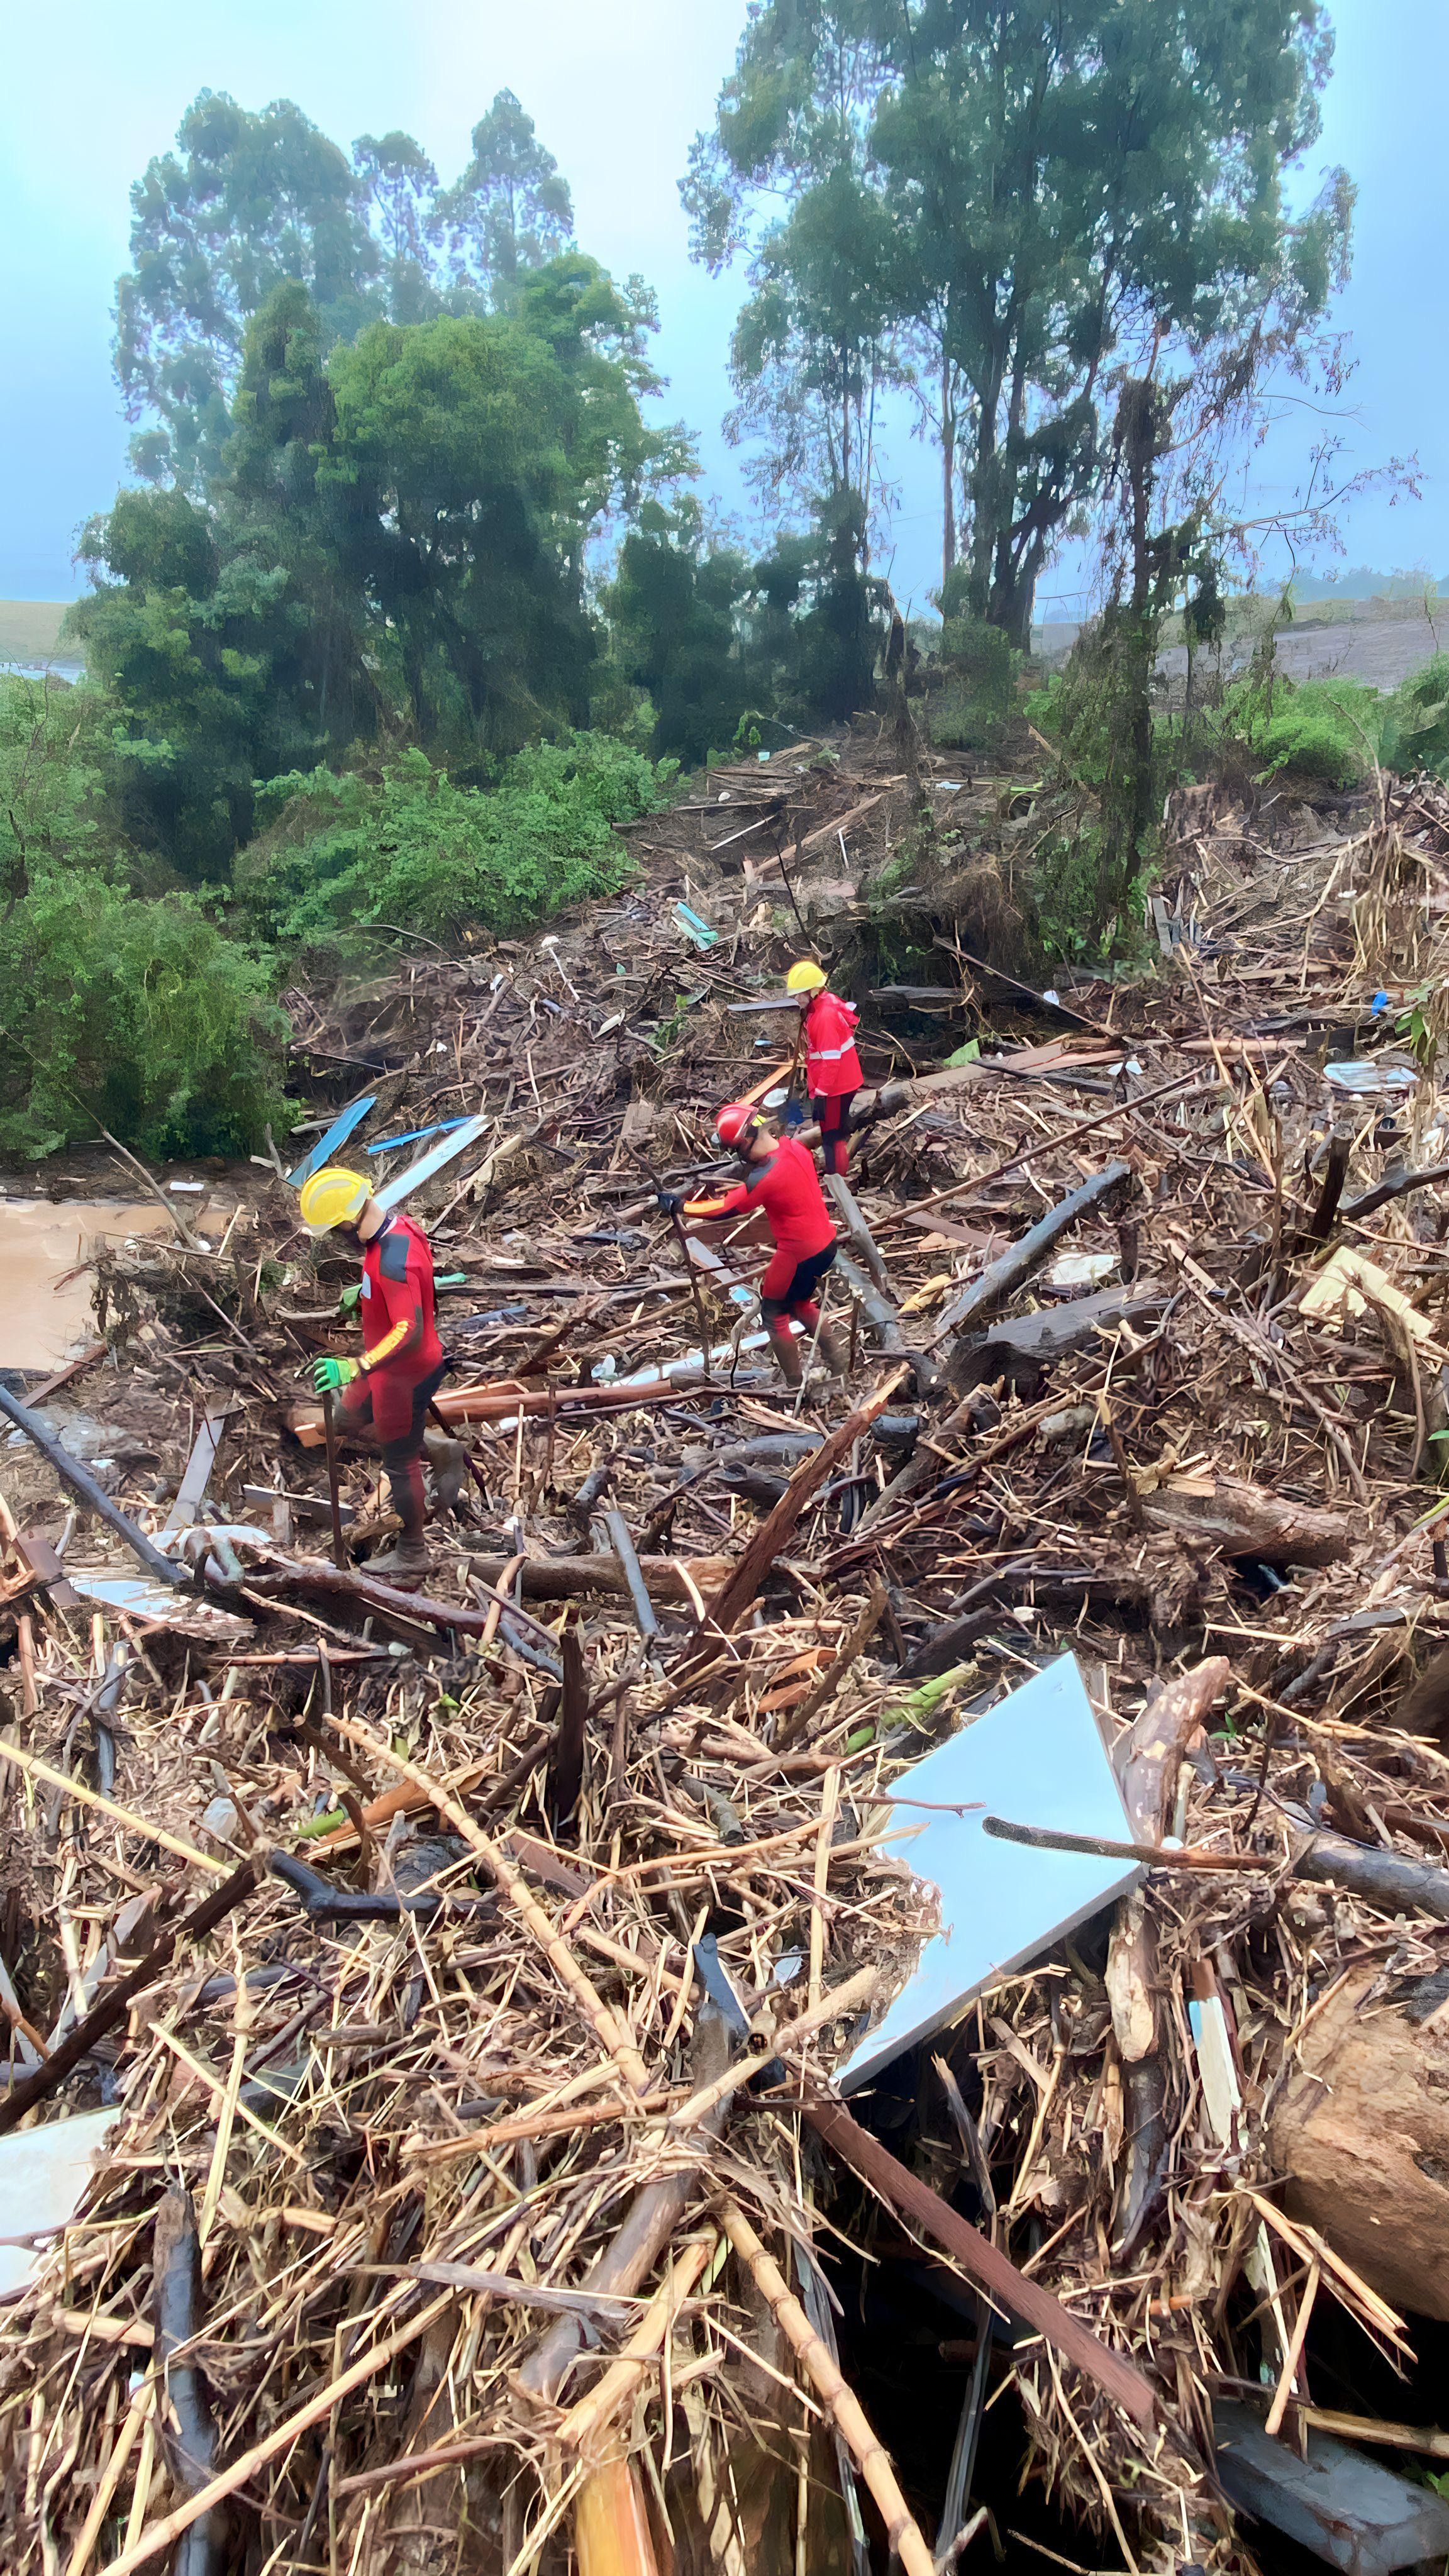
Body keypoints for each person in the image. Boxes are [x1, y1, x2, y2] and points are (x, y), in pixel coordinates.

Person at [298, 1167, 465, 1577]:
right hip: (384, 1366)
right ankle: (438, 1447)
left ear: (349, 1220)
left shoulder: (392, 1260)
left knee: (399, 1463)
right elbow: (415, 1291)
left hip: (402, 1374)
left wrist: (356, 1364)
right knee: (345, 1419)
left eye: (335, 1229)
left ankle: (412, 1553)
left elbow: (409, 1330)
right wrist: (366, 1296)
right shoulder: (399, 1230)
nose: (336, 1237)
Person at [660, 1102, 848, 1388]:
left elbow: (725, 1208)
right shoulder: (795, 1148)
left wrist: (681, 1206)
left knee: (773, 1315)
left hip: (798, 1254)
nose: (739, 1157)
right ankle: (839, 1361)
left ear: (747, 1141)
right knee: (799, 1303)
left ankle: (794, 1384)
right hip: (825, 1243)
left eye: (737, 1150)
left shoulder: (766, 1177)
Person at [787, 959, 862, 1177]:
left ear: (812, 991)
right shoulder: (823, 1004)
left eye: (799, 994)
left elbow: (831, 1060)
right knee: (831, 1132)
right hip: (837, 1083)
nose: (796, 999)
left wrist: (822, 1092)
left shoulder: (824, 1016)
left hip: (836, 1087)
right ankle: (834, 1173)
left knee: (832, 1136)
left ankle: (837, 1179)